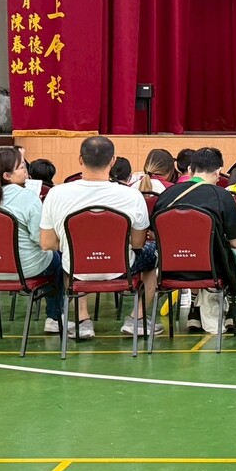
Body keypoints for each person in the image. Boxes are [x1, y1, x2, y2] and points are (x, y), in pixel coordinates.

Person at [39, 136, 159, 340]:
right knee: (155, 254)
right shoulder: (132, 196)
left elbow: (47, 243)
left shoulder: (56, 194)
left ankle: (83, 320)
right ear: (112, 161)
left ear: (80, 159)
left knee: (69, 256)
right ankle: (137, 318)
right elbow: (138, 243)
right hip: (122, 268)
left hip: (76, 268)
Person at [152, 147, 236, 334]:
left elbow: (155, 234)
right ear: (218, 172)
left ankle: (194, 311)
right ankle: (233, 312)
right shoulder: (222, 196)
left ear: (189, 170)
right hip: (211, 270)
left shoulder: (167, 195)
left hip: (171, 270)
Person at [0, 147, 64, 333]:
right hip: (25, 268)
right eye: (21, 167)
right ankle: (54, 317)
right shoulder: (27, 197)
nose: (26, 171)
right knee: (59, 260)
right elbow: (41, 239)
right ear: (7, 175)